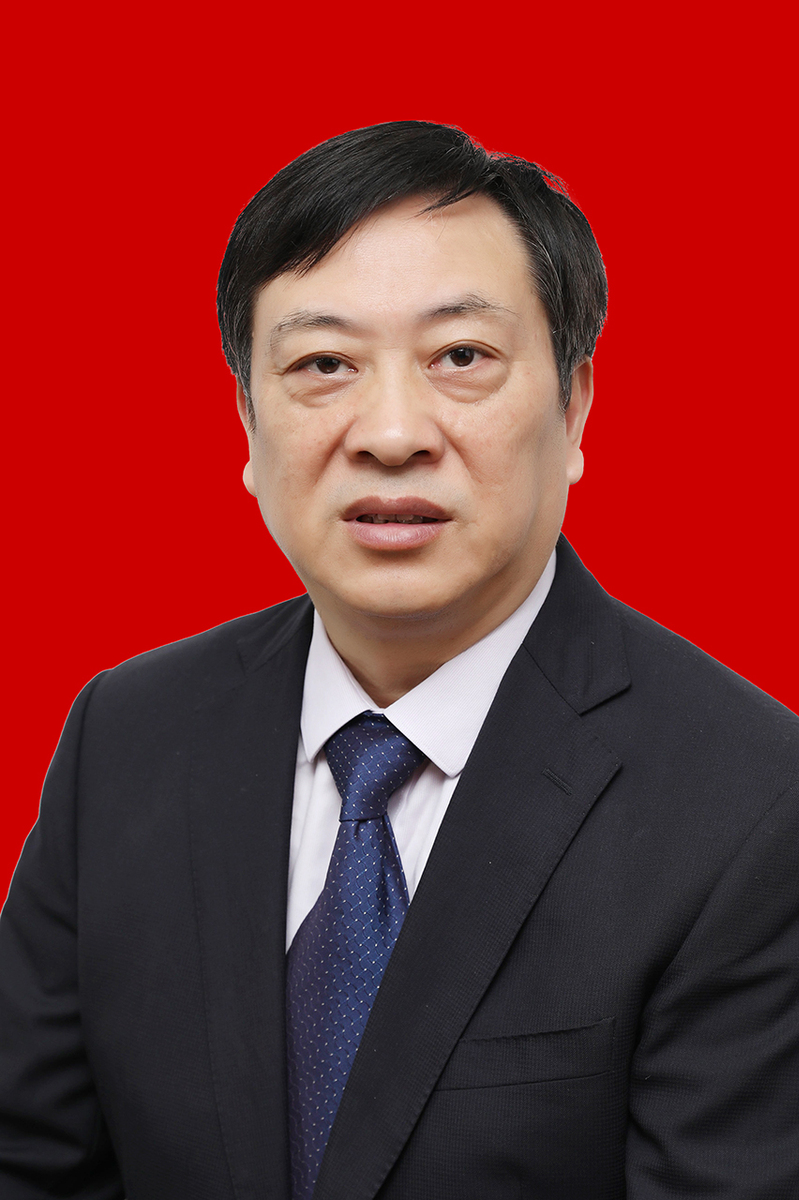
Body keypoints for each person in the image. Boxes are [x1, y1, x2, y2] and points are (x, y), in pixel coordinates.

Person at [1, 120, 798, 1200]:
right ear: (246, 419)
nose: (390, 433)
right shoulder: (128, 735)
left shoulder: (751, 803)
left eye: (460, 357)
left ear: (573, 405)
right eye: (323, 365)